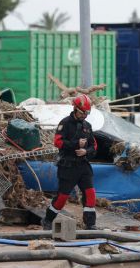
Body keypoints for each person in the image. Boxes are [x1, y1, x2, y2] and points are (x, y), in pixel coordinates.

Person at [41, 94, 98, 230]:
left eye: (87, 113)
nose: (85, 115)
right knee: (62, 197)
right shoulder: (65, 123)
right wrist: (75, 144)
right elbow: (58, 142)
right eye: (82, 112)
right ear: (75, 108)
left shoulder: (87, 126)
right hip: (68, 166)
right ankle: (48, 220)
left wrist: (86, 151)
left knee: (90, 194)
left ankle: (90, 224)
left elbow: (94, 146)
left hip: (83, 165)